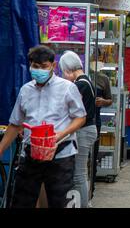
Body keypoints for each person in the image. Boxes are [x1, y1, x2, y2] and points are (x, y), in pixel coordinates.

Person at [0, 45, 86, 208]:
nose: (39, 70)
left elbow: (80, 117)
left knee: (60, 201)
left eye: (44, 67)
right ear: (30, 66)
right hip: (31, 153)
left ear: (53, 66)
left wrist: (61, 134)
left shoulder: (67, 88)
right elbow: (15, 124)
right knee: (21, 201)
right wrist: (1, 148)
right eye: (36, 67)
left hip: (61, 154)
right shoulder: (25, 90)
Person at [59, 51, 97, 208]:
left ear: (69, 69)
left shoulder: (80, 84)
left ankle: (83, 205)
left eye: (63, 72)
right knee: (80, 173)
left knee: (79, 175)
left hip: (84, 131)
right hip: (87, 130)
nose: (63, 76)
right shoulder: (85, 81)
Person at [89, 55, 113, 202]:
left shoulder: (103, 79)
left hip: (94, 121)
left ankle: (91, 190)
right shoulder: (80, 76)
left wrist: (104, 101)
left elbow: (109, 100)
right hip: (79, 121)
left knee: (93, 153)